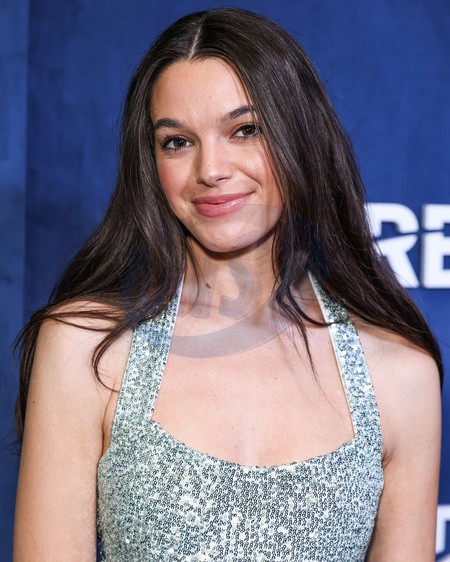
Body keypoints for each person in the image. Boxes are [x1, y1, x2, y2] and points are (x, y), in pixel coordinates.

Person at [13, 7, 442, 561]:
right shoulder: (87, 348)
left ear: (299, 138)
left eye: (245, 130)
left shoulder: (399, 375)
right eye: (177, 142)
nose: (210, 169)